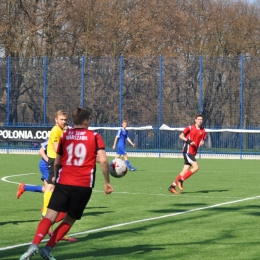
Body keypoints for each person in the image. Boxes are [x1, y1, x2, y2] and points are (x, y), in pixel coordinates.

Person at [19, 106, 113, 260]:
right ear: (85, 120)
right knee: (69, 219)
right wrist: (107, 182)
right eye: (88, 119)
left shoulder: (65, 136)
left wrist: (55, 176)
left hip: (64, 182)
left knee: (49, 216)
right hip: (83, 185)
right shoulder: (95, 136)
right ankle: (48, 248)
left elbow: (56, 162)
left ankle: (33, 245)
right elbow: (102, 159)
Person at [16, 124, 70, 199]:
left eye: (67, 130)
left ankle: (24, 187)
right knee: (50, 188)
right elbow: (41, 151)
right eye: (64, 129)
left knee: (50, 189)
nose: (65, 131)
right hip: (46, 165)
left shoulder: (65, 140)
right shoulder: (54, 138)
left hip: (52, 165)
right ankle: (46, 208)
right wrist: (49, 162)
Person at [168, 114, 206, 194]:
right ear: (195, 120)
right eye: (198, 119)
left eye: (201, 119)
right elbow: (181, 136)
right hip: (188, 151)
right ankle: (180, 180)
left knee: (184, 171)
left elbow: (202, 140)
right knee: (196, 167)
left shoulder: (203, 130)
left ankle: (172, 186)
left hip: (193, 152)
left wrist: (202, 142)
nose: (200, 121)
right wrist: (189, 141)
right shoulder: (190, 127)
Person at [42, 109, 67, 218]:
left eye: (65, 120)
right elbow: (57, 148)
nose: (63, 122)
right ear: (56, 120)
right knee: (51, 187)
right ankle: (45, 212)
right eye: (61, 119)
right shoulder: (56, 130)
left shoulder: (61, 130)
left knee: (58, 186)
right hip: (54, 161)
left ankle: (55, 209)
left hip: (59, 161)